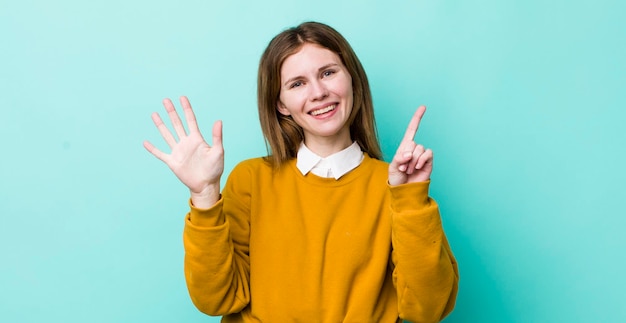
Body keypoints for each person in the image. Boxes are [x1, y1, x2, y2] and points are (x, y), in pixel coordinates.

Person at [144, 21, 459, 323]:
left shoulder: (394, 187)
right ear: (280, 104)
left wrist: (410, 200)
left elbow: (428, 309)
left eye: (328, 73)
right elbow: (216, 300)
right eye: (297, 84)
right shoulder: (251, 180)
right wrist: (203, 196)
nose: (318, 92)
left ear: (351, 79)